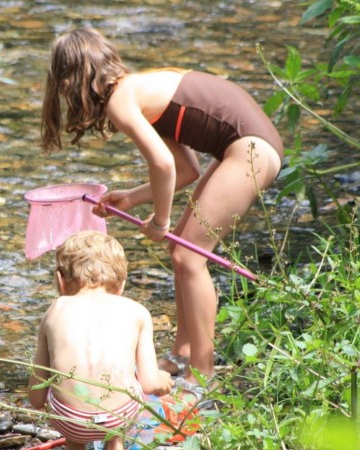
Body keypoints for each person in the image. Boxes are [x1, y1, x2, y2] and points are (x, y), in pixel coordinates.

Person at [41, 28, 283, 403]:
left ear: (72, 78)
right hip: (247, 147)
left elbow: (162, 164)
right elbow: (186, 170)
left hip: (251, 149)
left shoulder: (122, 101)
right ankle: (181, 355)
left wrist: (160, 221)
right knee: (182, 253)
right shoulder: (140, 91)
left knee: (189, 255)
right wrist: (133, 199)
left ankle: (202, 376)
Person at [28, 231, 174, 450]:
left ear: (60, 281)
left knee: (65, 385)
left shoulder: (55, 310)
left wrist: (45, 399)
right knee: (132, 382)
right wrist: (165, 380)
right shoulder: (136, 311)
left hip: (68, 418)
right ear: (122, 284)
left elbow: (36, 393)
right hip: (120, 415)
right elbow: (150, 383)